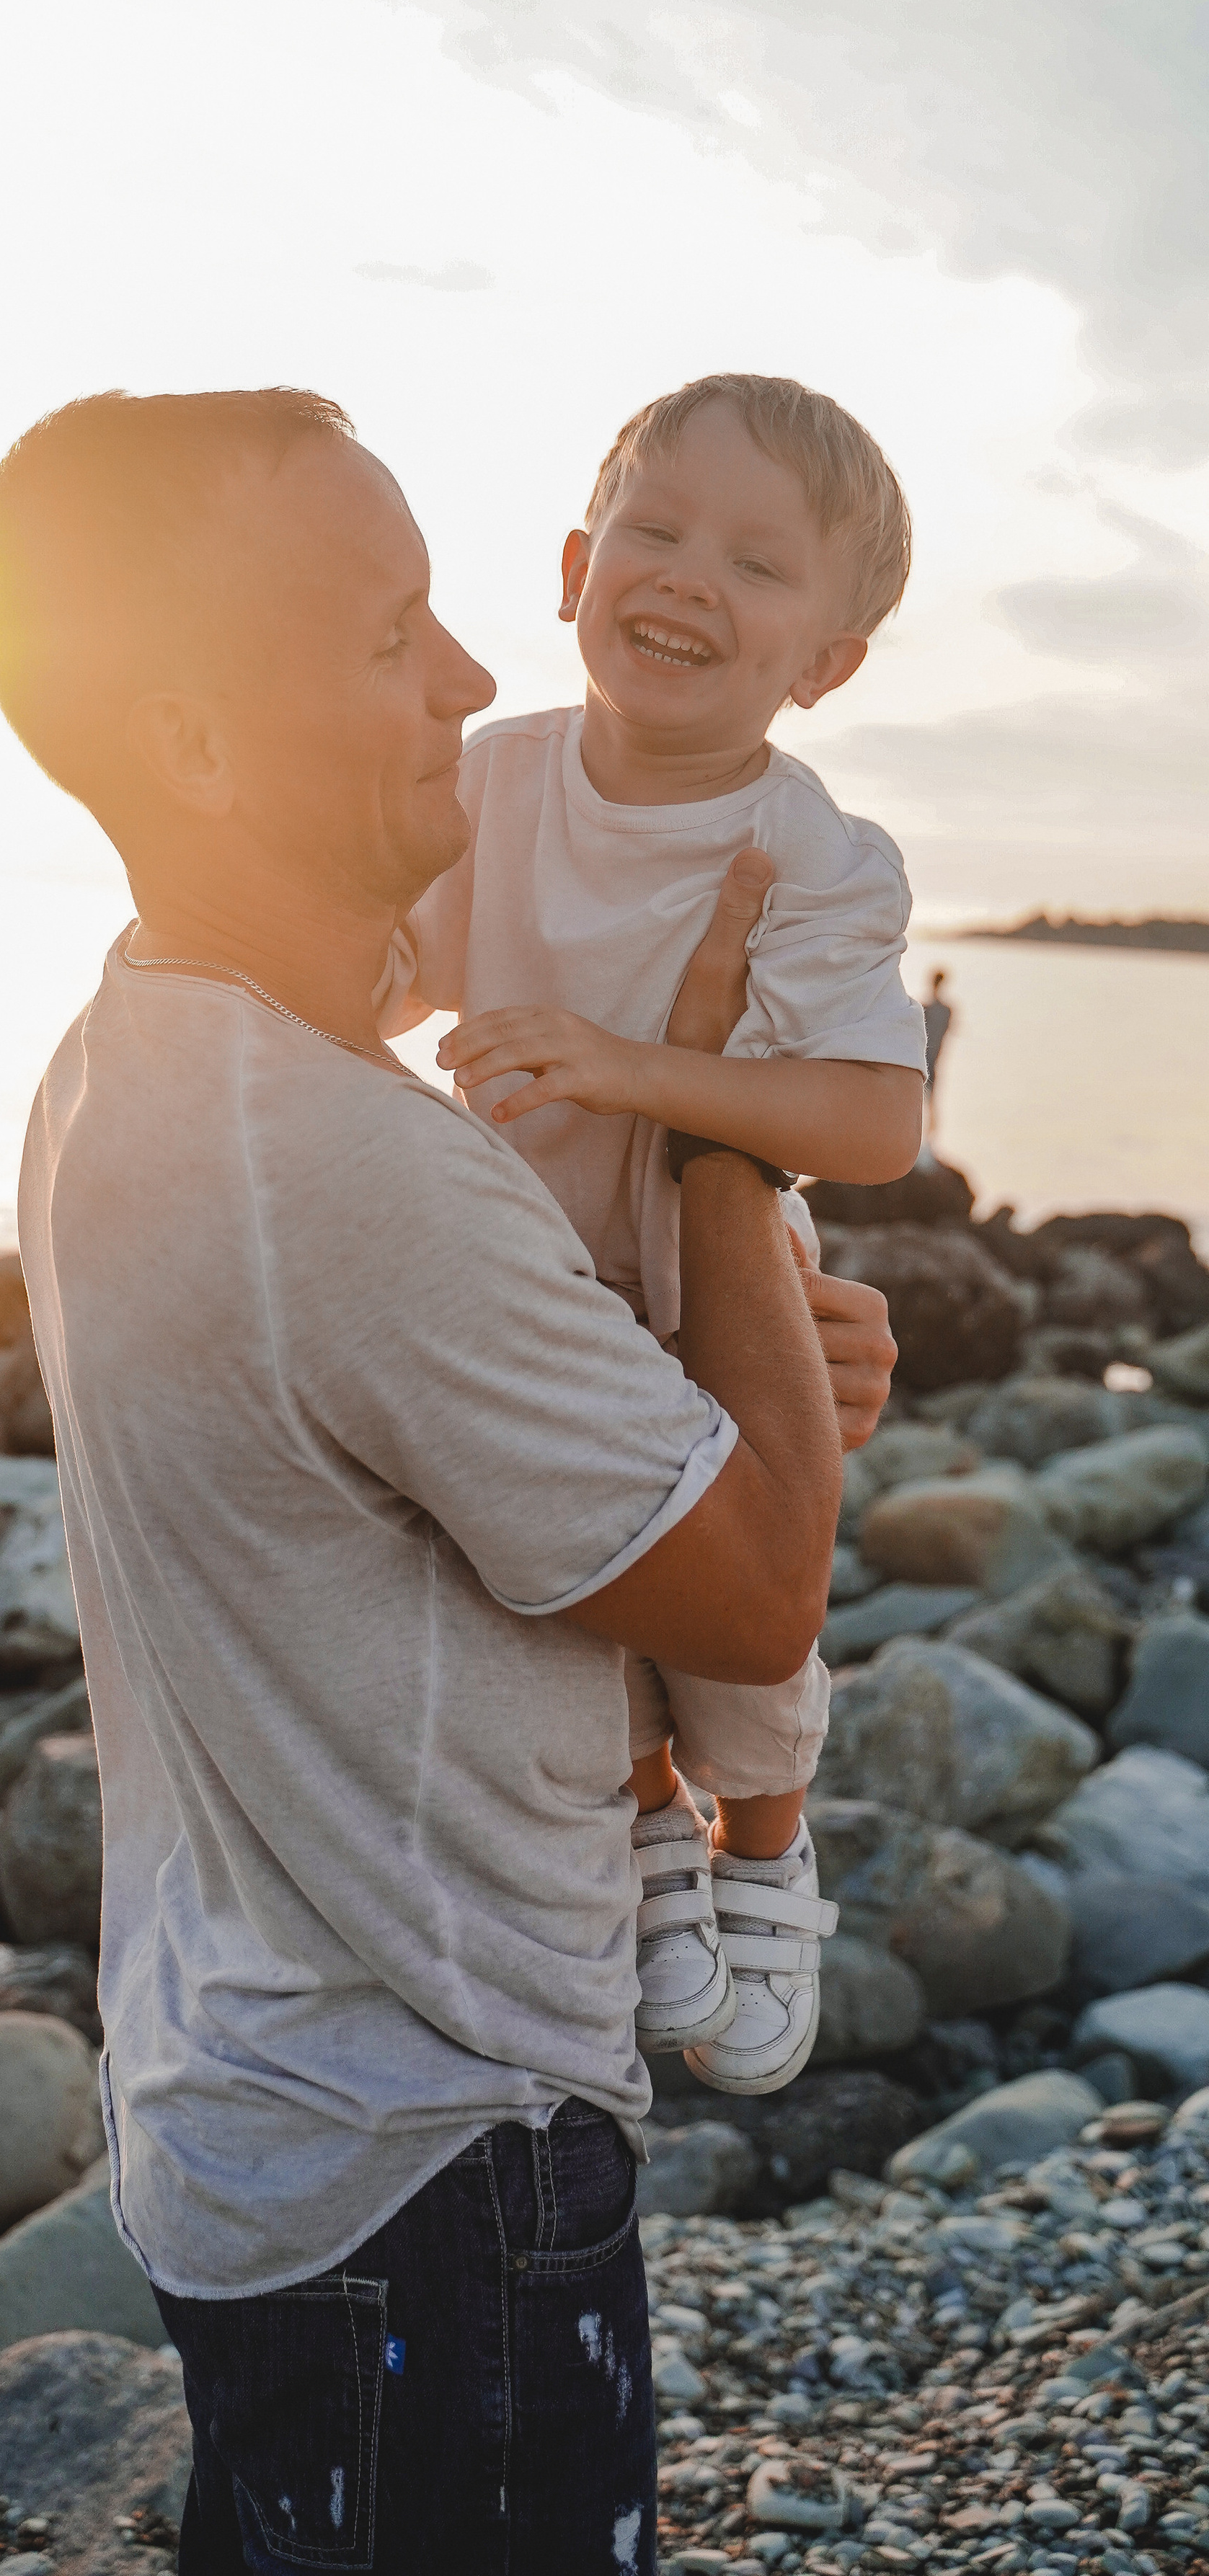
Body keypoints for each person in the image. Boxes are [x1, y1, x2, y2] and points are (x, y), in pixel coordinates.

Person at [0, 388, 896, 2574]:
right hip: (434, 2155)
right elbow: (757, 1590)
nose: (475, 676)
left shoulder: (132, 1052)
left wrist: (715, 1356)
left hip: (262, 2111)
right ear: (197, 741)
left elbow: (424, 1444)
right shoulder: (355, 1175)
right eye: (391, 635)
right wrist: (726, 1124)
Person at [381, 376, 926, 2097]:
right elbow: (356, 973)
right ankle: (644, 1832)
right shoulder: (489, 784)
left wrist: (626, 1061)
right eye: (656, 528)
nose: (689, 576)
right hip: (525, 1257)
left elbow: (870, 1120)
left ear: (820, 661)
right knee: (553, 1572)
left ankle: (760, 1846)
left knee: (741, 1594)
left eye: (759, 563)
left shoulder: (811, 852)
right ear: (570, 563)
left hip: (710, 1265)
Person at [923, 967, 954, 1120]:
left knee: (925, 1098)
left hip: (925, 1060)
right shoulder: (947, 1011)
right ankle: (930, 1134)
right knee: (931, 1098)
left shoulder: (924, 1008)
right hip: (934, 1058)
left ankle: (927, 1134)